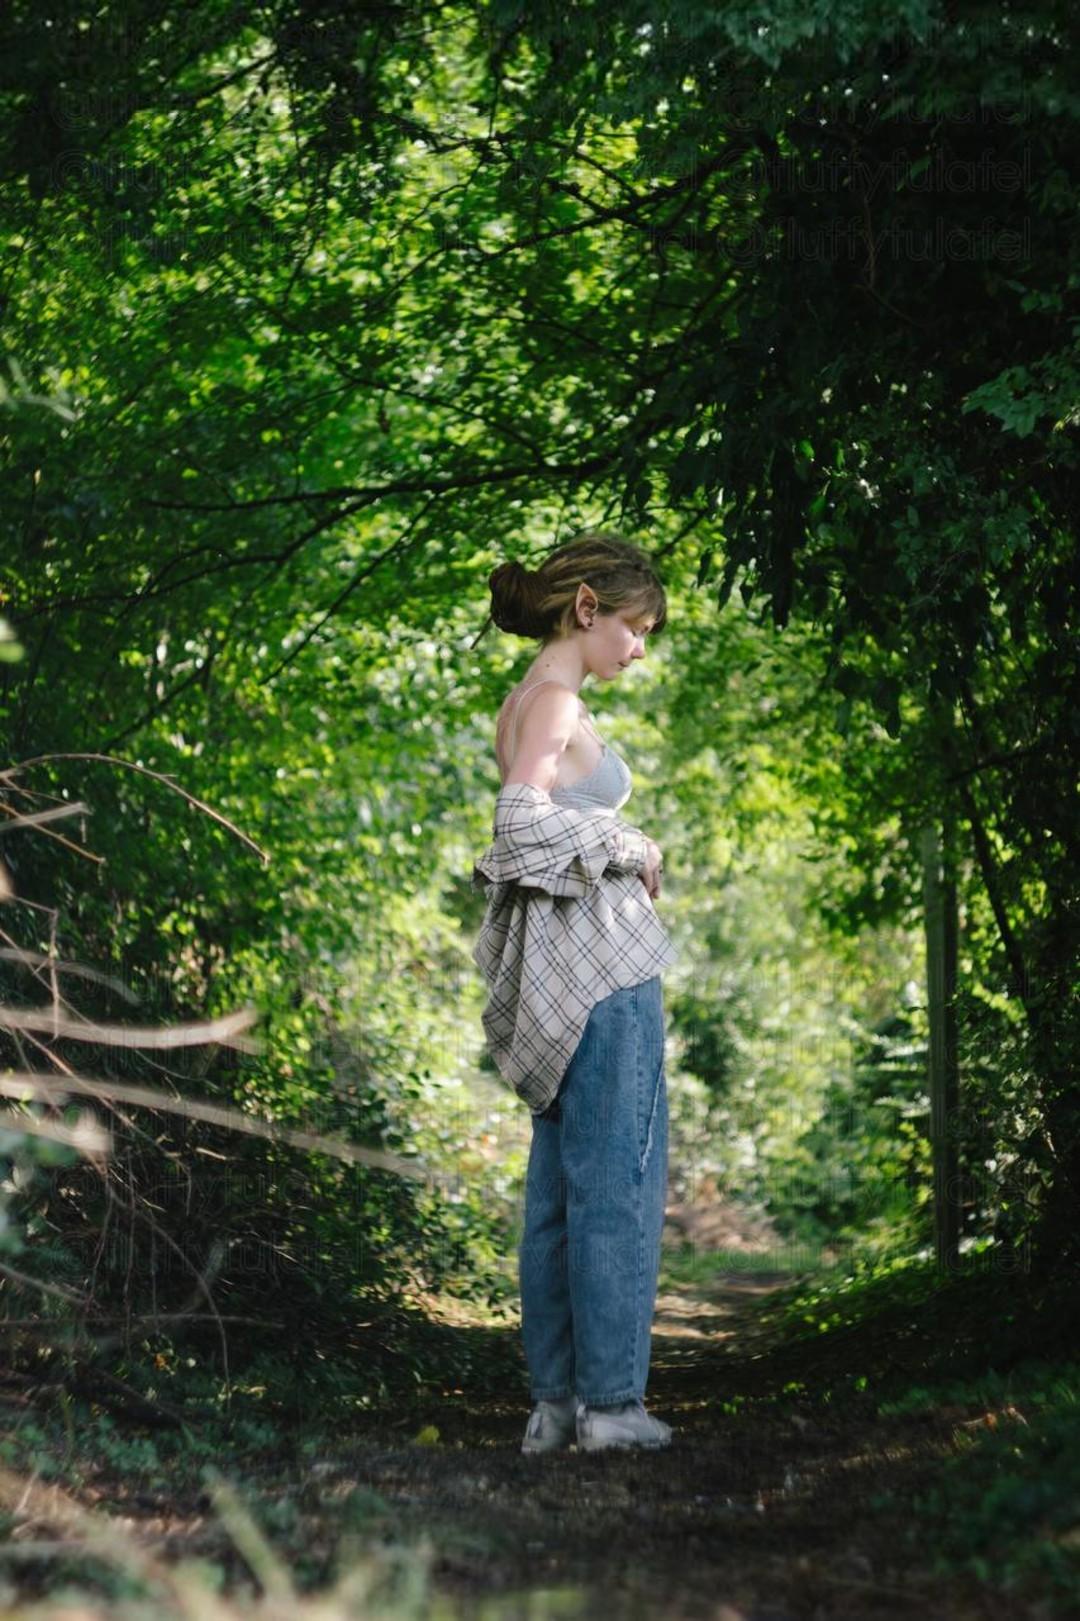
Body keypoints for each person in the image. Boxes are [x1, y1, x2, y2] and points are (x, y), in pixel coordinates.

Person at [470, 530, 679, 1455]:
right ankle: (613, 1406)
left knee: (559, 1197)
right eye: (635, 627)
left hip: (560, 983)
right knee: (615, 1187)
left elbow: (531, 820)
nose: (639, 649)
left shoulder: (524, 700)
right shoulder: (554, 702)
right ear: (587, 607)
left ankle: (556, 1407)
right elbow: (518, 823)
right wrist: (630, 843)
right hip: (601, 975)